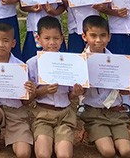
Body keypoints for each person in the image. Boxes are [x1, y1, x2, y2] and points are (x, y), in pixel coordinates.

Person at [26, 16, 84, 158]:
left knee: (64, 155)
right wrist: (43, 90)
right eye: (47, 38)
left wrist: (76, 93)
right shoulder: (32, 64)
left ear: (62, 39)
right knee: (43, 154)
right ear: (38, 39)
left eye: (56, 38)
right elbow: (27, 98)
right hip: (42, 115)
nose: (52, 43)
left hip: (64, 115)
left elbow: (70, 95)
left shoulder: (69, 62)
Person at [79, 15, 130, 158]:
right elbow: (80, 93)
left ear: (109, 37)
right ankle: (90, 131)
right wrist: (81, 86)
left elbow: (123, 90)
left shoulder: (118, 61)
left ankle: (111, 133)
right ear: (84, 37)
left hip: (116, 112)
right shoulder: (80, 61)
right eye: (93, 36)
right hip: (94, 113)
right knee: (108, 152)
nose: (98, 40)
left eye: (103, 36)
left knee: (126, 151)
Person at [0, 21, 34, 157]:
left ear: (13, 43)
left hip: (16, 113)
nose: (1, 45)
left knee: (24, 153)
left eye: (6, 41)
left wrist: (31, 93)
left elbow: (26, 103)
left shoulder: (21, 67)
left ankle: (17, 135)